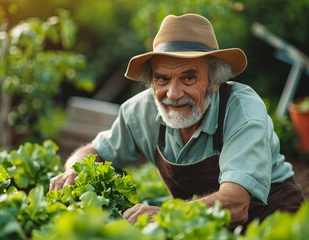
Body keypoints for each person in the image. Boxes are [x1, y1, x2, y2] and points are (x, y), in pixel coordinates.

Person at [50, 13, 304, 229]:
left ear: (215, 82)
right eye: (162, 79)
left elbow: (236, 203)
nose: (173, 94)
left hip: (270, 221)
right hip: (199, 226)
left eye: (188, 78)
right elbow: (94, 150)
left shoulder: (241, 110)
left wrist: (169, 215)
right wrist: (74, 169)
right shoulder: (139, 111)